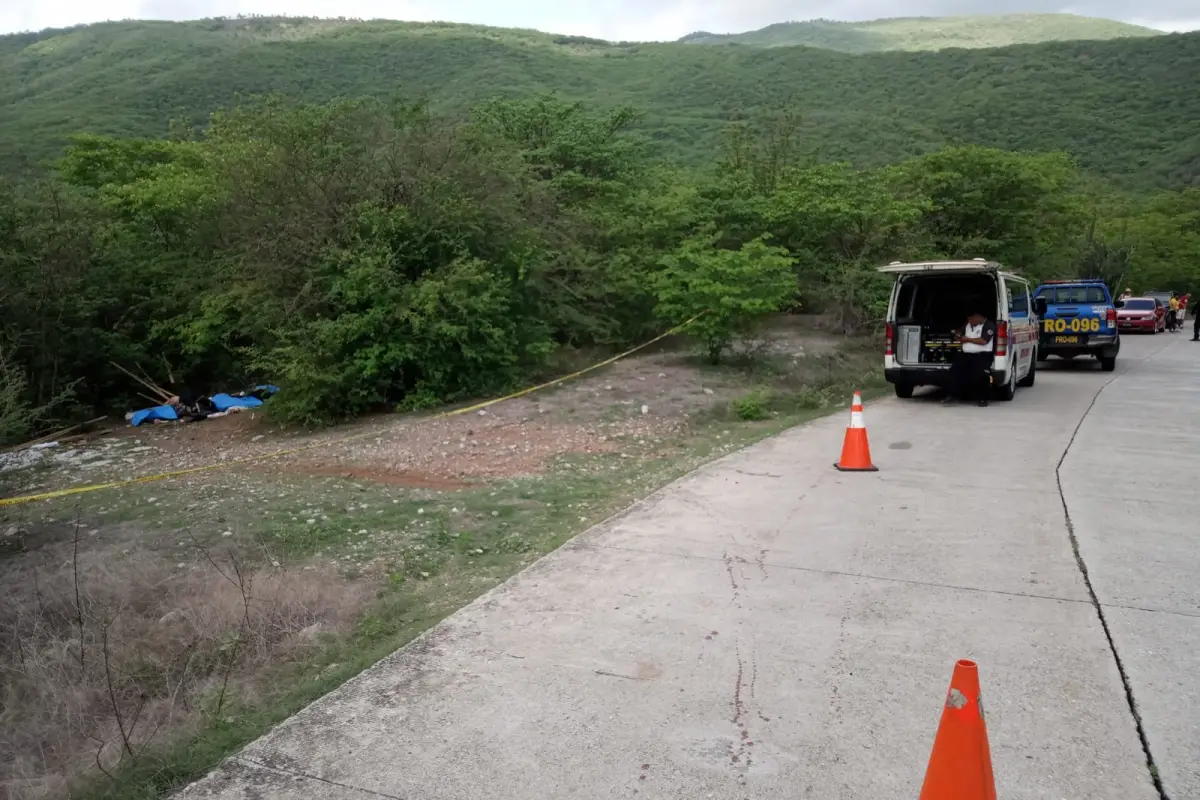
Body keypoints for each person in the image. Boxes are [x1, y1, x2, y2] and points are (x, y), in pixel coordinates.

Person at [947, 308, 996, 407]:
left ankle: (983, 398)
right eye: (968, 320)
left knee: (981, 374)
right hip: (966, 354)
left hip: (982, 355)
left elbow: (984, 341)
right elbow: (960, 332)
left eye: (971, 319)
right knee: (954, 370)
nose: (969, 321)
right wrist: (958, 335)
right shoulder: (968, 325)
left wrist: (968, 339)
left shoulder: (988, 325)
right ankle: (953, 395)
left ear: (978, 317)